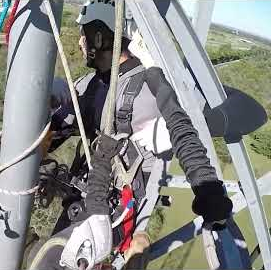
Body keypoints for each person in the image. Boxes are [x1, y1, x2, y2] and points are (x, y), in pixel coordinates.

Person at [30, 1, 234, 269]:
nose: (80, 43)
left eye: (84, 35)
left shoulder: (145, 87)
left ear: (99, 37)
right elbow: (56, 131)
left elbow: (183, 130)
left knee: (48, 260)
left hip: (113, 207)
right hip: (85, 195)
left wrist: (206, 187)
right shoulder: (90, 85)